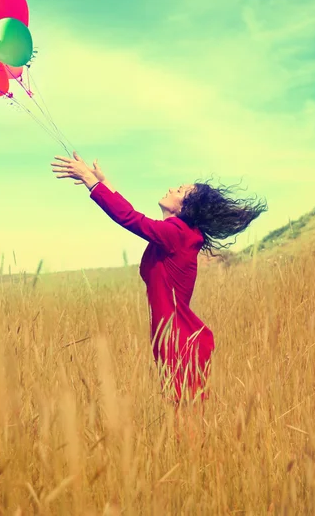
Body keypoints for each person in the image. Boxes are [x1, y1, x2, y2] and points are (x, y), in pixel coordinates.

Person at [51, 151, 267, 404]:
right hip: (174, 338)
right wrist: (104, 183)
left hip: (180, 341)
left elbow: (130, 218)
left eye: (179, 190)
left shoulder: (178, 234)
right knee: (182, 415)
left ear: (185, 207)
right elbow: (134, 216)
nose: (170, 188)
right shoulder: (175, 235)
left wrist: (91, 181)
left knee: (185, 419)